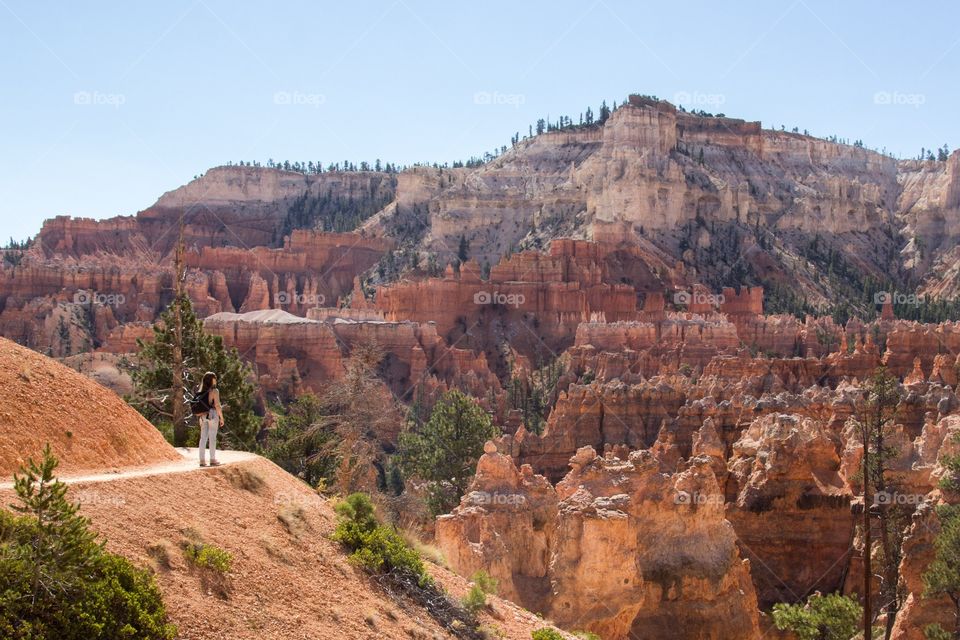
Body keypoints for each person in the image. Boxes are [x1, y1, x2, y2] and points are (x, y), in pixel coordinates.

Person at [195, 371, 224, 467]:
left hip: (202, 416)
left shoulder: (200, 392)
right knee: (212, 438)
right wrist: (221, 418)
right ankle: (212, 459)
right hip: (212, 415)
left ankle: (202, 460)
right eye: (214, 378)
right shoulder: (215, 391)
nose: (216, 380)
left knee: (203, 438)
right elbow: (217, 405)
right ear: (212, 380)